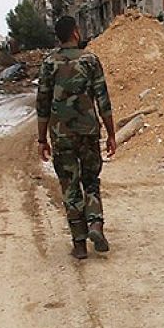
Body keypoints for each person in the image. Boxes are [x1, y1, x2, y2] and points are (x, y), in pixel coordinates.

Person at [37, 16, 118, 260]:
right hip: (88, 132)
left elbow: (42, 104)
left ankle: (80, 244)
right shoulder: (91, 60)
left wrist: (42, 140)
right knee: (91, 180)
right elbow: (103, 100)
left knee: (70, 186)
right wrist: (111, 133)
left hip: (62, 136)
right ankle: (95, 224)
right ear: (75, 33)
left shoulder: (49, 63)